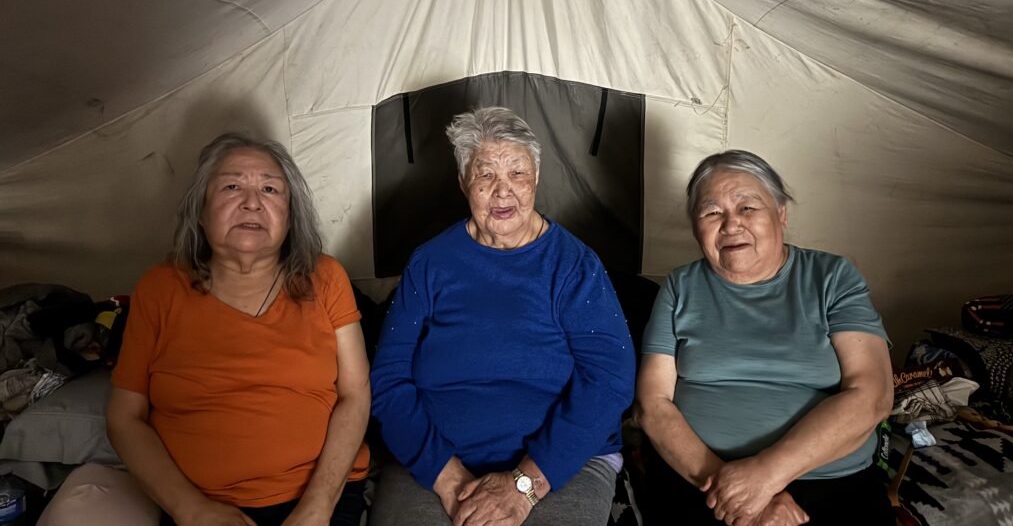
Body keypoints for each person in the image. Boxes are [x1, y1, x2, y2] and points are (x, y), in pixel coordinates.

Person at [78, 133, 369, 526]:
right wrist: (191, 509)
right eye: (232, 186)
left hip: (319, 499)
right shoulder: (160, 288)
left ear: (290, 215)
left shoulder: (326, 278)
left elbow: (355, 395)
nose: (252, 202)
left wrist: (317, 507)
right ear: (200, 210)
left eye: (270, 188)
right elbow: (125, 418)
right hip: (199, 505)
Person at [368, 107, 636, 526]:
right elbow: (388, 379)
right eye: (485, 174)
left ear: (537, 178)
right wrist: (447, 477)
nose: (502, 191)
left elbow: (610, 380)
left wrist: (523, 485)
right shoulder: (430, 263)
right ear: (463, 183)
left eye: (517, 173)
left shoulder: (574, 265)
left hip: (561, 463)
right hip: (436, 461)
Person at [635, 150, 895, 526]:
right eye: (711, 213)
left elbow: (873, 396)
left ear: (781, 213)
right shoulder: (680, 287)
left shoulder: (832, 277)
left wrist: (765, 475)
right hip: (702, 479)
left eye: (747, 208)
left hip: (825, 478)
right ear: (695, 226)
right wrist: (734, 491)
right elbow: (652, 405)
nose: (730, 225)